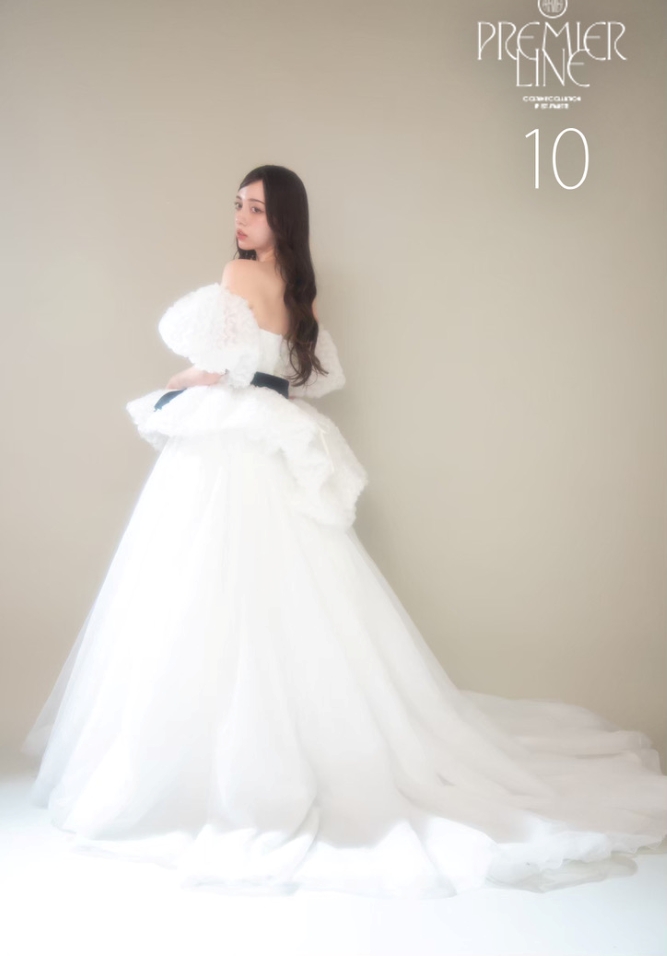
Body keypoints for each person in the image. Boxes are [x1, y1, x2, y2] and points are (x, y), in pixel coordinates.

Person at [21, 164, 667, 899]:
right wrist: (224, 378)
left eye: (256, 209)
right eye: (238, 206)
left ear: (283, 219)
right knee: (293, 589)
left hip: (234, 442)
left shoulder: (236, 274)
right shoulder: (303, 289)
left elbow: (221, 364)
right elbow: (295, 377)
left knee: (200, 583)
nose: (241, 219)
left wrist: (183, 381)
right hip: (274, 432)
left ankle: (207, 764)